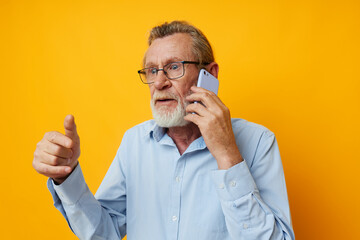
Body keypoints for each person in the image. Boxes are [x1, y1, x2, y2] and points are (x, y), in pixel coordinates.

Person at [33, 21, 295, 240]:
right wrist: (66, 178)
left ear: (210, 75)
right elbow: (103, 232)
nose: (159, 82)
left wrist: (227, 154)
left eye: (173, 67)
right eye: (152, 70)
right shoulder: (134, 142)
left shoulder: (259, 141)